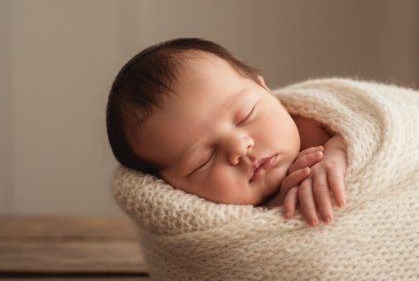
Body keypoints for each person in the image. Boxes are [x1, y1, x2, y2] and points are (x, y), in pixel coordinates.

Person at [106, 38, 347, 226]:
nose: (238, 148)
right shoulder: (211, 221)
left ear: (265, 89)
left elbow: (374, 130)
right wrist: (273, 212)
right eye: (203, 161)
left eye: (245, 115)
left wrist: (339, 153)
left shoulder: (314, 125)